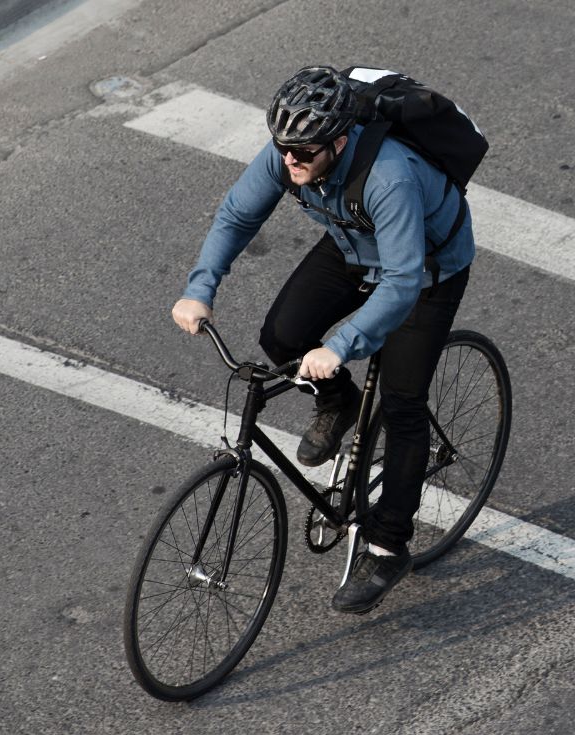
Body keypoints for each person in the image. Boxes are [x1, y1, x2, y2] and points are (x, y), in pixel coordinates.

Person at [169, 66, 474, 614]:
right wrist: (201, 288)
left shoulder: (390, 177)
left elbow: (403, 281)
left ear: (338, 141)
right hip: (354, 243)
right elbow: (239, 214)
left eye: (303, 152)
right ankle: (340, 404)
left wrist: (342, 345)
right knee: (281, 335)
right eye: (284, 148)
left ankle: (387, 546)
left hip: (426, 269)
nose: (290, 161)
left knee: (403, 405)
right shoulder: (291, 154)